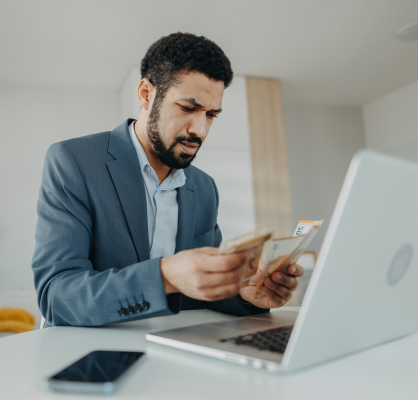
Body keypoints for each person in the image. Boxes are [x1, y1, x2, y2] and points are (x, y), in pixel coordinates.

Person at [32, 32, 303, 327]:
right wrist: (165, 276)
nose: (199, 129)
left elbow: (200, 292)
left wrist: (244, 295)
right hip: (87, 357)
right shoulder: (74, 161)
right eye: (188, 108)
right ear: (147, 94)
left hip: (172, 350)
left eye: (211, 114)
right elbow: (56, 295)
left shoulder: (204, 188)